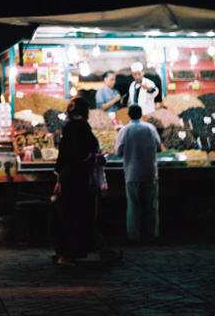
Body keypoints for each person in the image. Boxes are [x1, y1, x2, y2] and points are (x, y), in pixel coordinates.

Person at [53, 97, 119, 265]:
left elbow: (62, 157)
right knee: (78, 216)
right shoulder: (82, 127)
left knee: (67, 215)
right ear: (85, 112)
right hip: (79, 179)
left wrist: (58, 180)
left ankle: (62, 252)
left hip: (69, 177)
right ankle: (66, 255)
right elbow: (87, 150)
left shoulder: (67, 128)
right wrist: (94, 158)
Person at [114, 104, 162, 243]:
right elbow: (159, 148)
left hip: (132, 172)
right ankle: (152, 234)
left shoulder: (124, 130)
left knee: (133, 205)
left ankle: (133, 235)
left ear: (128, 115)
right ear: (141, 114)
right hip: (150, 172)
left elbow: (118, 152)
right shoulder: (150, 128)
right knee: (152, 205)